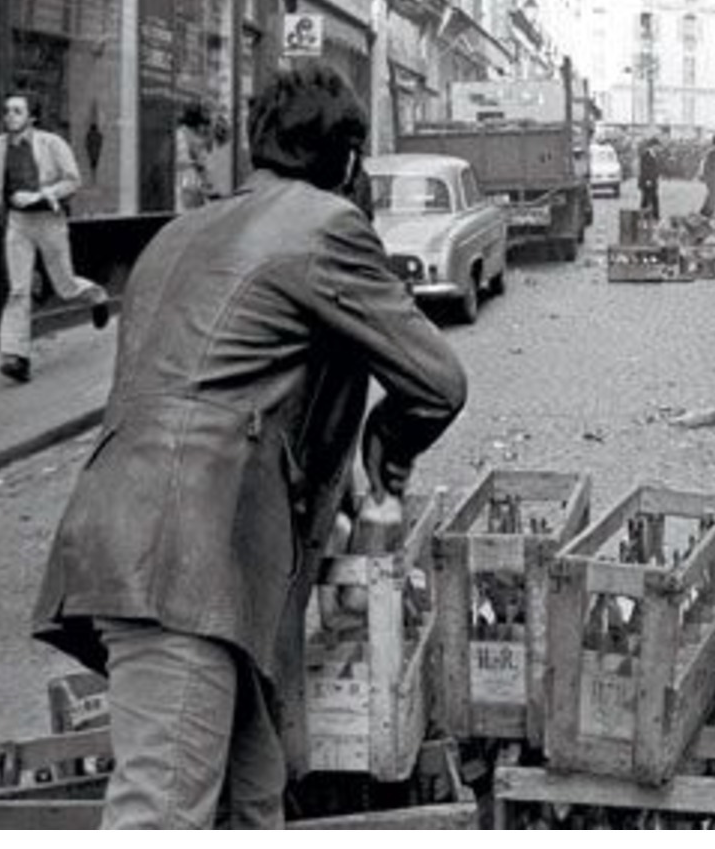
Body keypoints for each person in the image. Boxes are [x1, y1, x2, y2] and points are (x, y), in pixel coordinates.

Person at [32, 67, 466, 829]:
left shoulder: (182, 228)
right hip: (181, 566)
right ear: (350, 160)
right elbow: (436, 382)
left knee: (252, 794)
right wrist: (382, 453)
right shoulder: (324, 226)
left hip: (158, 547)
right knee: (160, 817)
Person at [0, 92, 110, 384]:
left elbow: (73, 180)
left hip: (49, 221)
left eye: (16, 110)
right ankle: (16, 357)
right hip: (17, 222)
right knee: (18, 290)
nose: (9, 116)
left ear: (32, 117)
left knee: (65, 286)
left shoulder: (53, 143)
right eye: (6, 110)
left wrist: (40, 195)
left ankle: (97, 296)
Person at [175, 104, 220, 211]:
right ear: (195, 124)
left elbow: (204, 168)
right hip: (187, 199)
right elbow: (189, 175)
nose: (205, 130)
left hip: (193, 197)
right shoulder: (182, 137)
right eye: (203, 125)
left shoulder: (193, 139)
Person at [637, 137, 663, 220]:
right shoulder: (645, 155)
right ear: (653, 146)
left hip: (653, 182)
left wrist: (657, 176)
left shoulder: (655, 155)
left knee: (653, 199)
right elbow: (644, 169)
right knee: (646, 199)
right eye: (657, 146)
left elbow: (655, 168)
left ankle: (655, 216)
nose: (659, 148)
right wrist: (647, 180)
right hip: (646, 182)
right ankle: (645, 216)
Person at [697, 135, 715, 218]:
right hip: (712, 176)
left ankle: (704, 211)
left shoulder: (710, 151)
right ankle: (709, 212)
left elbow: (704, 163)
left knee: (711, 193)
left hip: (709, 176)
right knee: (714, 194)